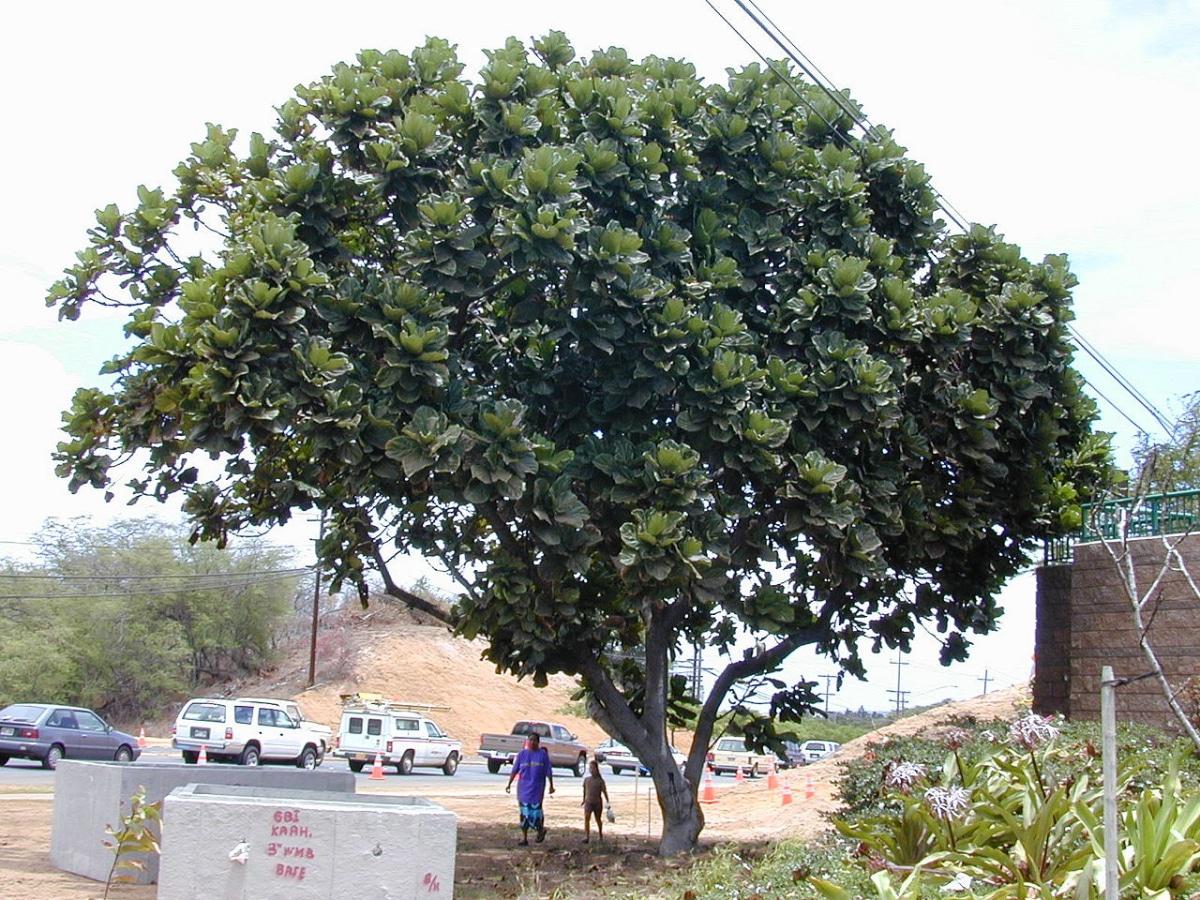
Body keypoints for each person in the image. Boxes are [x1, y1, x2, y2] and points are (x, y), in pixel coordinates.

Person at [506, 732, 555, 845]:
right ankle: (524, 838)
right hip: (523, 789)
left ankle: (540, 830)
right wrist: (509, 784)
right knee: (524, 813)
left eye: (534, 740)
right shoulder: (522, 754)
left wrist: (551, 785)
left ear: (538, 742)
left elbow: (548, 771)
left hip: (537, 789)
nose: (532, 742)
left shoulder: (542, 755)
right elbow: (515, 770)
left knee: (536, 812)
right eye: (530, 740)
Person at [581, 759, 609, 843]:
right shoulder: (586, 780)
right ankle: (587, 836)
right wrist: (583, 800)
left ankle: (600, 834)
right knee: (587, 817)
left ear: (596, 769)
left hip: (597, 803)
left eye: (593, 768)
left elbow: (604, 792)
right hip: (588, 802)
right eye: (590, 768)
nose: (591, 770)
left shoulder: (600, 781)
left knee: (598, 819)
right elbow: (584, 790)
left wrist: (608, 801)